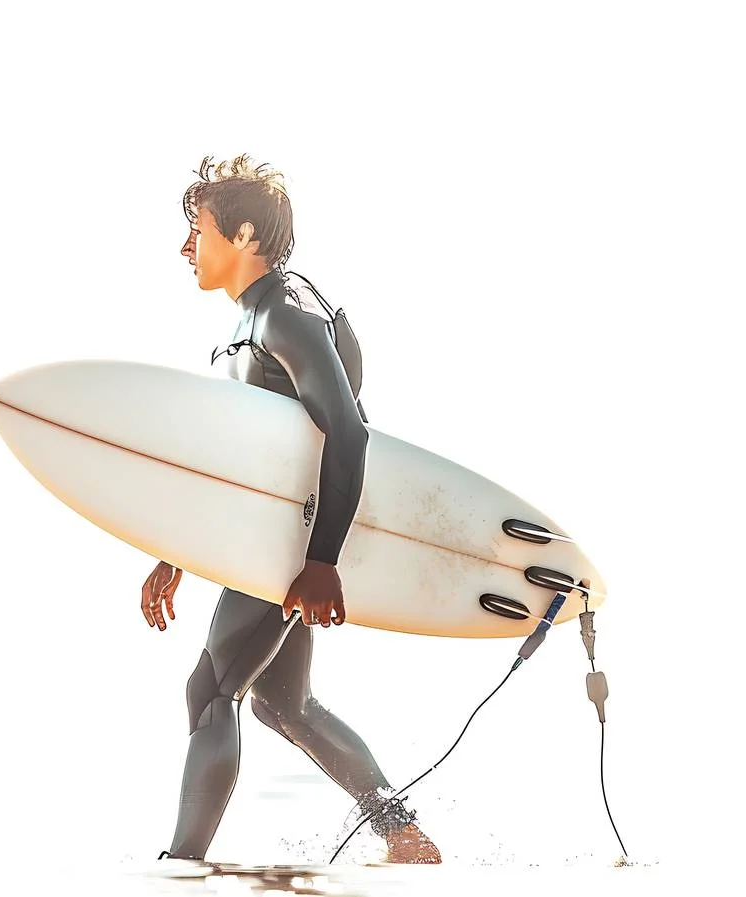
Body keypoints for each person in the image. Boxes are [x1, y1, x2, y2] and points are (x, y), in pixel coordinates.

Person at [145, 155, 441, 865]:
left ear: (244, 233)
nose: (186, 247)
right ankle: (405, 835)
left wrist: (320, 562)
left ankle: (179, 867)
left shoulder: (288, 313)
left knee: (213, 688)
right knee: (282, 702)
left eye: (198, 230)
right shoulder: (246, 325)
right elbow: (248, 466)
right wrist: (176, 550)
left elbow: (348, 429)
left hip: (293, 542)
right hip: (274, 536)